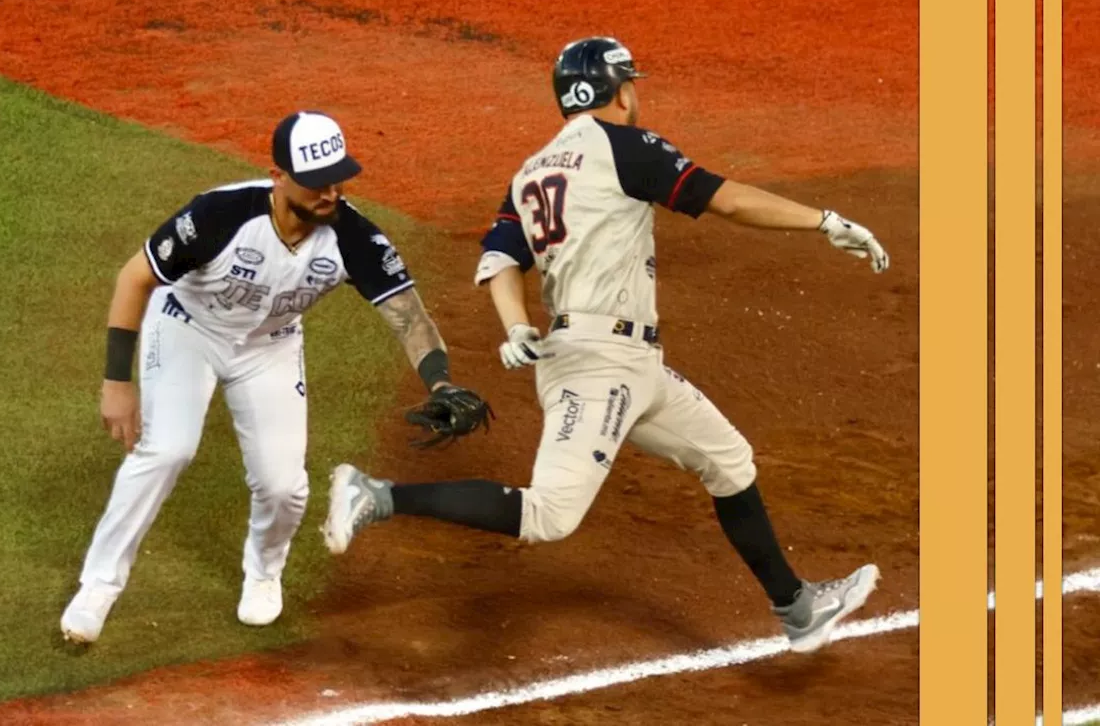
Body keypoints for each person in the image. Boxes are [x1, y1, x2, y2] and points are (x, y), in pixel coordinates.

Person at [321, 37, 890, 654]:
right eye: (631, 83)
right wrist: (825, 222)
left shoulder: (532, 170)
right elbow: (722, 198)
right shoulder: (625, 147)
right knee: (549, 515)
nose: (636, 94)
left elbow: (498, 259)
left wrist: (515, 324)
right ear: (617, 89)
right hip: (599, 366)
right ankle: (377, 496)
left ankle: (796, 606)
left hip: (630, 360)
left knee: (728, 460)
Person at [61, 111, 490, 644]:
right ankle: (98, 586)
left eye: (338, 177)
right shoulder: (220, 215)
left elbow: (409, 315)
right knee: (167, 449)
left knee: (283, 486)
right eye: (316, 182)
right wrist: (116, 383)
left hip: (270, 344)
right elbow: (135, 278)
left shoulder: (353, 236)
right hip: (186, 329)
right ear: (278, 176)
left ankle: (264, 573)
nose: (330, 192)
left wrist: (441, 382)